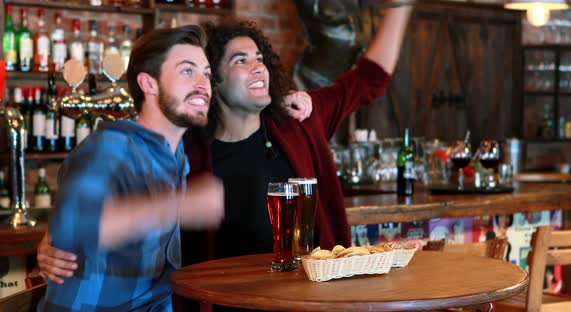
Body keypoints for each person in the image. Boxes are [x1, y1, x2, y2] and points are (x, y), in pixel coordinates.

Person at [38, 0, 413, 282]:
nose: (259, 66)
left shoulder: (298, 121)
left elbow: (369, 77)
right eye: (240, 60)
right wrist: (52, 239)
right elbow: (96, 192)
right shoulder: (186, 150)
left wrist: (401, 6)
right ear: (212, 82)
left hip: (310, 303)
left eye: (261, 57)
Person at [37, 25, 225, 311]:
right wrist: (178, 206)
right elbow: (72, 229)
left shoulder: (175, 154)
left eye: (207, 74)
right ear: (149, 84)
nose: (203, 83)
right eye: (187, 71)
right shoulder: (112, 146)